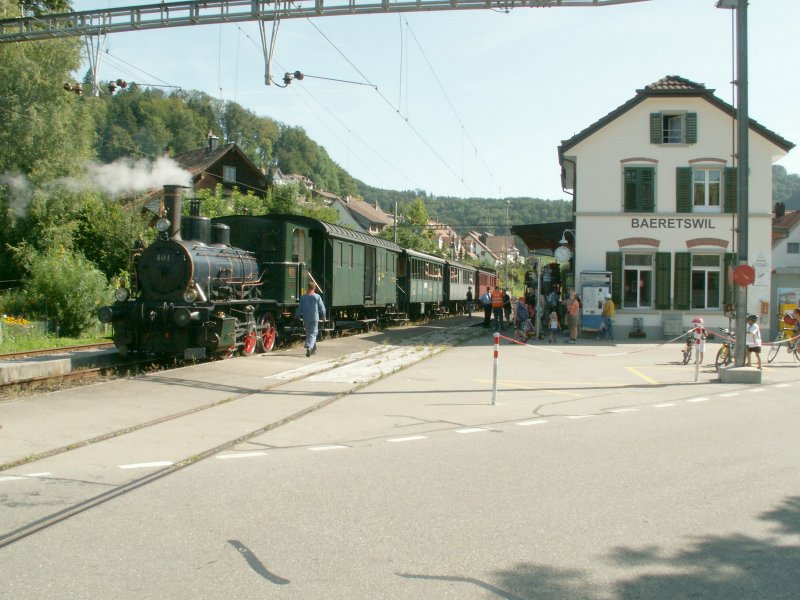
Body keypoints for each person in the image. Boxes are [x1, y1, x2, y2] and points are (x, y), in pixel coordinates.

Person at [295, 282, 327, 357]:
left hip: (306, 318)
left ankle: (313, 350)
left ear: (307, 288)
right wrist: (324, 316)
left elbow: (300, 309)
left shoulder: (303, 297)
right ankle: (309, 347)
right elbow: (322, 308)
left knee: (309, 333)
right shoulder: (317, 297)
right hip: (314, 318)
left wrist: (297, 316)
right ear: (314, 288)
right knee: (313, 333)